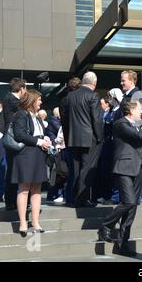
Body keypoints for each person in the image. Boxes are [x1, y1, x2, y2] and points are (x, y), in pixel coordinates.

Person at [98, 100, 142, 257]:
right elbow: (138, 136)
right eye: (140, 109)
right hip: (124, 169)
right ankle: (105, 225)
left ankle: (123, 243)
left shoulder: (134, 126)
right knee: (129, 202)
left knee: (132, 209)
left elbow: (136, 149)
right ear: (131, 111)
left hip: (138, 169)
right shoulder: (120, 124)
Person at [11, 89, 51, 237]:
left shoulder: (38, 117)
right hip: (26, 155)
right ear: (32, 100)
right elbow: (19, 135)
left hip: (38, 154)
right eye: (39, 100)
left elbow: (39, 134)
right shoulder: (21, 114)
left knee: (37, 189)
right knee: (24, 188)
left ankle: (35, 222)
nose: (41, 102)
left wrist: (45, 139)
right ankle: (22, 223)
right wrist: (40, 141)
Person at [63, 72, 104, 208]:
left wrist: (67, 137)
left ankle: (73, 198)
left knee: (75, 169)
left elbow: (65, 121)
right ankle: (82, 199)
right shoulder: (93, 96)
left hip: (72, 138)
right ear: (95, 83)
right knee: (87, 168)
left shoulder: (68, 97)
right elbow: (97, 119)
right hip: (89, 139)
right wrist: (100, 137)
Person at [2, 77, 26, 210]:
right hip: (12, 140)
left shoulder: (9, 98)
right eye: (25, 88)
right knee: (12, 170)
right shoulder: (13, 100)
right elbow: (26, 108)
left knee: (13, 170)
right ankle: (10, 201)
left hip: (12, 139)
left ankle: (12, 201)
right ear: (21, 88)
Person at [59, 77, 81, 206]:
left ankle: (69, 197)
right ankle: (74, 198)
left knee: (72, 170)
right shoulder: (75, 100)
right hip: (77, 138)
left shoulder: (64, 100)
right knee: (76, 170)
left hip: (68, 138)